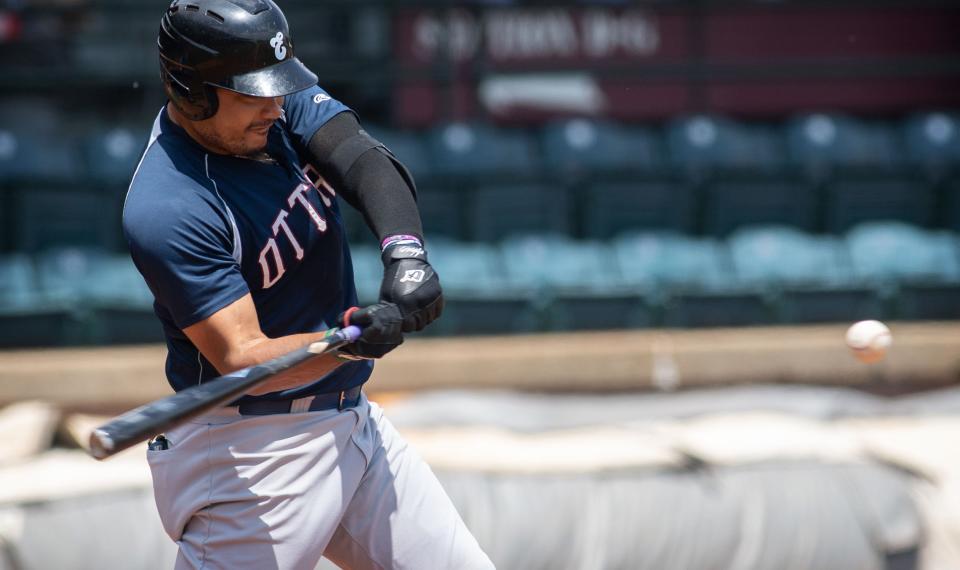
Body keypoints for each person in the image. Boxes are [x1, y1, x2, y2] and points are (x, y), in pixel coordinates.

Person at [123, 1, 494, 568]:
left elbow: (364, 160)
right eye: (252, 92)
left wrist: (404, 253)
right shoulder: (168, 206)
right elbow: (245, 360)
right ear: (191, 90)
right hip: (252, 454)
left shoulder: (273, 105)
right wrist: (352, 339)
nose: (275, 104)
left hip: (351, 420)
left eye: (277, 87)